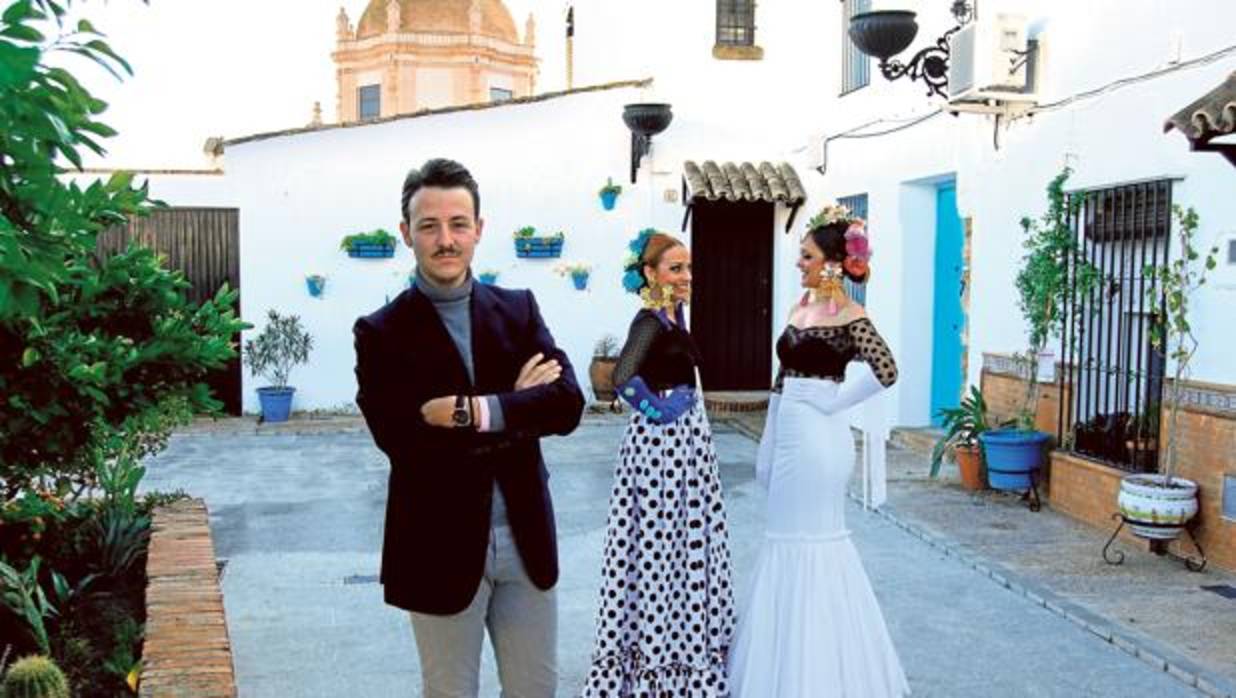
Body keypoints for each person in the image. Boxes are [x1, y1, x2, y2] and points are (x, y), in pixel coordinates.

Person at [353, 157, 585, 698]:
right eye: (429, 225)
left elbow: (568, 405)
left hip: (525, 540)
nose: (445, 240)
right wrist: (518, 407)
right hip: (436, 543)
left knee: (536, 691)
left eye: (459, 224)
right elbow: (407, 445)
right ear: (406, 233)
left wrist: (469, 412)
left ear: (479, 230)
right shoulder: (380, 334)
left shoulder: (518, 310)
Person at [728, 206, 910, 697]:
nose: (798, 264)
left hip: (820, 439)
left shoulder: (852, 317)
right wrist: (767, 439)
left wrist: (837, 401)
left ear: (833, 263)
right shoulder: (797, 310)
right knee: (782, 536)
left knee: (813, 538)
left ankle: (824, 673)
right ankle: (782, 662)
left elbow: (887, 370)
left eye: (806, 256)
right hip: (787, 430)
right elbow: (781, 378)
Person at [581, 229, 736, 697]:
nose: (686, 276)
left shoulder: (674, 318)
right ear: (649, 274)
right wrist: (660, 411)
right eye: (675, 268)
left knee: (680, 544)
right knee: (657, 546)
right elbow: (624, 376)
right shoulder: (649, 321)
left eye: (688, 268)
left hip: (686, 448)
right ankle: (654, 661)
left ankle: (681, 650)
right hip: (660, 453)